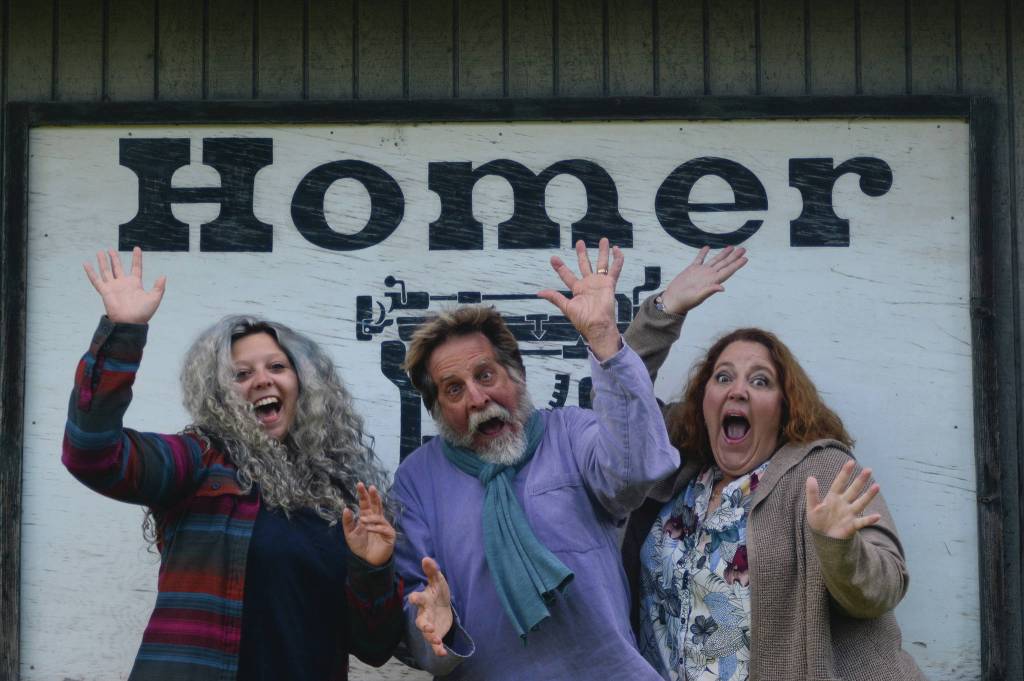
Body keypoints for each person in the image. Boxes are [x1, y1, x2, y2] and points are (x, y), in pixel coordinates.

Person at [62, 248, 403, 681]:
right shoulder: (199, 461)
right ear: (221, 396)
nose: (262, 379)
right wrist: (125, 332)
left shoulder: (344, 497)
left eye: (277, 366)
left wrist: (372, 570)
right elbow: (92, 454)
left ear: (304, 382)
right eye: (241, 374)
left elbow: (374, 648)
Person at [622, 246, 927, 680]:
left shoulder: (818, 472)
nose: (738, 391)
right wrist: (664, 311)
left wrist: (839, 547)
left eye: (760, 381)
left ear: (785, 407)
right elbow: (620, 406)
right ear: (703, 398)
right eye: (723, 377)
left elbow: (882, 589)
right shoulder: (679, 464)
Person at [390, 238, 680, 680]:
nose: (477, 397)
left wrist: (604, 337)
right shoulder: (416, 481)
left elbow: (636, 472)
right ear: (436, 410)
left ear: (518, 374)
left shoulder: (570, 433)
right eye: (453, 389)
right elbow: (423, 625)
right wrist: (436, 632)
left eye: (485, 374)